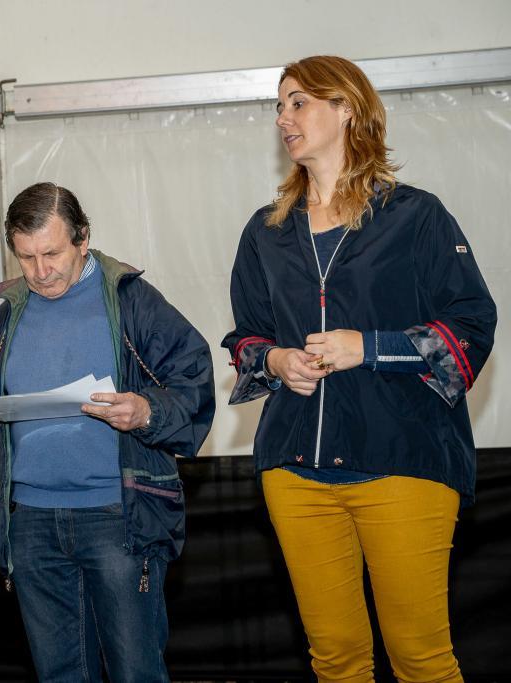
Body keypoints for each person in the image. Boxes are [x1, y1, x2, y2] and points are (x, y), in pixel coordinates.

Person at [223, 55, 496, 682]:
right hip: (294, 471)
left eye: (298, 102)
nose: (283, 118)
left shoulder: (416, 216)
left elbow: (471, 325)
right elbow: (246, 338)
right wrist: (276, 359)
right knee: (336, 662)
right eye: (279, 106)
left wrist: (368, 347)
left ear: (346, 108)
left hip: (403, 461)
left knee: (422, 662)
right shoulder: (266, 232)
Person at [0, 182, 215, 682]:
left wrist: (146, 410)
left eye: (52, 253)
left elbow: (194, 379)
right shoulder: (5, 320)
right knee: (58, 674)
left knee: (136, 673)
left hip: (119, 517)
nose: (40, 271)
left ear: (83, 239)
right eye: (26, 258)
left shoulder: (133, 303)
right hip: (31, 524)